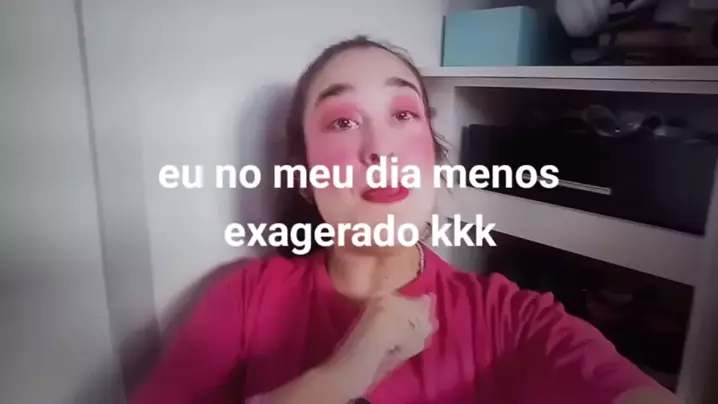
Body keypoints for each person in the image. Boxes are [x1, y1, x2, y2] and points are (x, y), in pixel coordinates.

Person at [130, 36, 681, 404]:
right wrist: (336, 380)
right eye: (343, 122)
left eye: (402, 114)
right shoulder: (242, 300)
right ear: (303, 174)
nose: (381, 149)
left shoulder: (510, 319)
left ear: (435, 159)